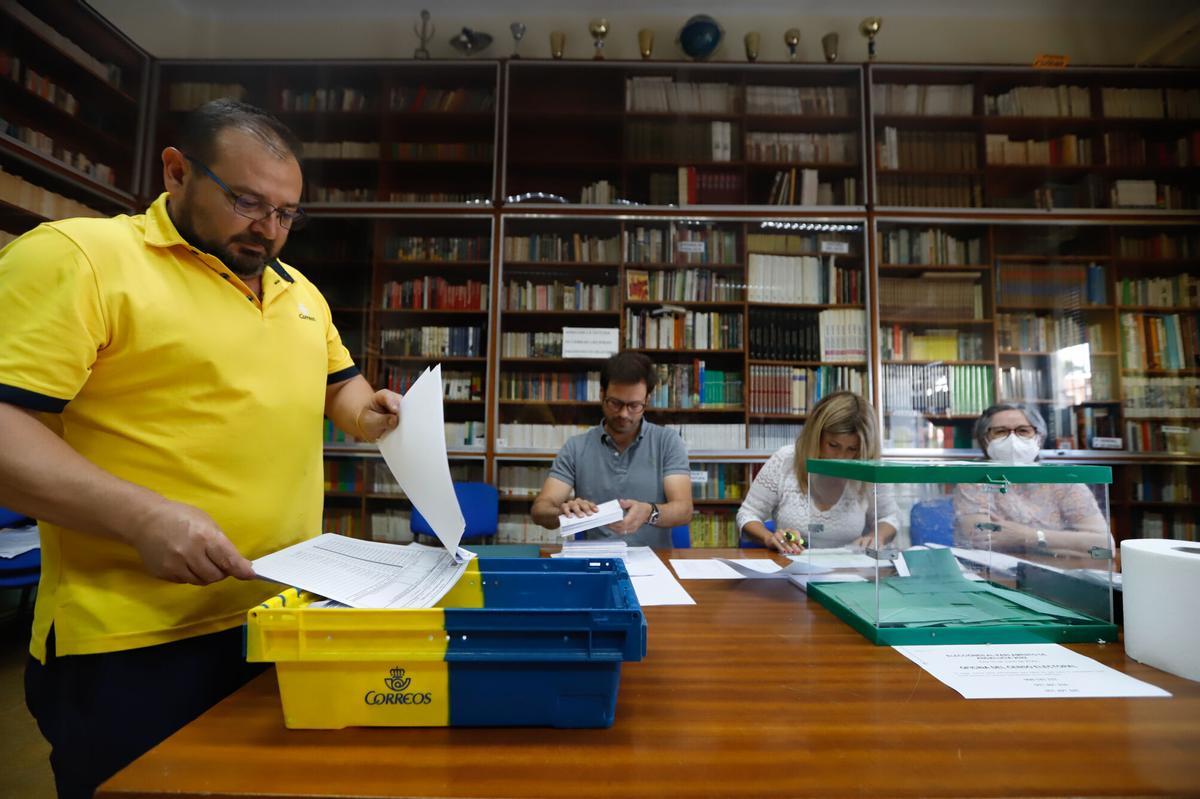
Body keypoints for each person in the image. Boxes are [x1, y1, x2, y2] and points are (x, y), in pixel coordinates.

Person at [0, 99, 402, 799]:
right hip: (134, 643)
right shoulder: (81, 259)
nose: (269, 228)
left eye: (286, 213)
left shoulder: (300, 292)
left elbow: (342, 392)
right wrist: (142, 516)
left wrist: (375, 416)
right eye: (248, 201)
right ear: (178, 171)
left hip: (279, 619)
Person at [530, 352, 693, 547]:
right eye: (615, 403)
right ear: (601, 394)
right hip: (596, 561)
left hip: (654, 562)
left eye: (634, 405)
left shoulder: (667, 441)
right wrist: (564, 511)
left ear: (647, 400)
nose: (623, 414)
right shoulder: (576, 447)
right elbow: (540, 510)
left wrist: (649, 512)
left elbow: (684, 510)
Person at [737, 391, 899, 554]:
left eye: (852, 449)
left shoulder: (870, 467)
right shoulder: (786, 460)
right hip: (790, 566)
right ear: (816, 436)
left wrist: (876, 536)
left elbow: (890, 517)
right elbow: (748, 514)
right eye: (833, 445)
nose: (840, 457)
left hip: (849, 569)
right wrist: (769, 537)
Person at [953, 403, 1110, 557]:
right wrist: (1063, 544)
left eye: (1023, 431)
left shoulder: (1063, 480)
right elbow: (983, 540)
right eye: (1000, 431)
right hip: (994, 574)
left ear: (1039, 438)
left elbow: (1103, 544)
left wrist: (1027, 536)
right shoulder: (974, 480)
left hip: (1059, 571)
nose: (1013, 439)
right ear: (984, 439)